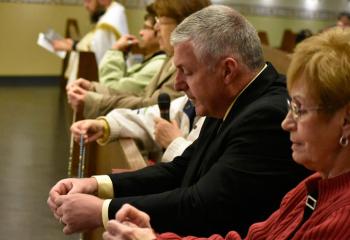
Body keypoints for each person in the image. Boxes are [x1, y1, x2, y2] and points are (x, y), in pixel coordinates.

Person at [47, 5, 310, 237]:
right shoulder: (232, 98)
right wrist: (97, 184)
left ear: (227, 70)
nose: (177, 83)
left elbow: (202, 204)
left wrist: (102, 211)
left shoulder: (267, 115)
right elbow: (183, 168)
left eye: (186, 71)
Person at [102, 27, 350, 240]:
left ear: (346, 121)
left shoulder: (343, 215)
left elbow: (202, 203)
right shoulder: (312, 185)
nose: (287, 123)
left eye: (299, 109)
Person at [66, 0, 210, 119]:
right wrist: (94, 88)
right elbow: (142, 94)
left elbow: (150, 106)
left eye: (161, 21)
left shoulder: (187, 66)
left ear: (182, 25)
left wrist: (93, 101)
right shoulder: (169, 59)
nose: (156, 27)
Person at [68, 4, 166, 102]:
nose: (140, 32)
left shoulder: (159, 64)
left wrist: (115, 51)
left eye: (146, 27)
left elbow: (111, 89)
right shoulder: (156, 60)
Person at [70, 95, 204, 163]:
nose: (177, 84)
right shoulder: (190, 100)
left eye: (188, 71)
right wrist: (105, 126)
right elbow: (148, 118)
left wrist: (174, 143)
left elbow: (208, 171)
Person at [53, 0, 128, 65]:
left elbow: (97, 55)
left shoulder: (107, 22)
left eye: (88, 1)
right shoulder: (115, 11)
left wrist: (71, 46)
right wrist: (73, 43)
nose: (85, 6)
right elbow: (96, 43)